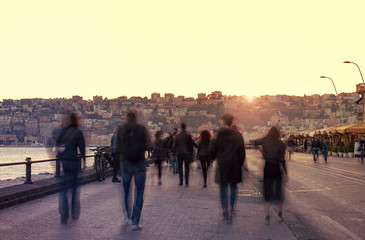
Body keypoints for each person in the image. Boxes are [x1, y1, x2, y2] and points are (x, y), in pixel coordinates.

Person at [114, 110, 152, 231]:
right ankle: (135, 222)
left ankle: (127, 217)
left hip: (126, 163)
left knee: (126, 191)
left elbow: (116, 148)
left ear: (126, 117)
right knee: (139, 192)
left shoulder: (120, 130)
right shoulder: (142, 129)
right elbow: (150, 146)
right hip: (140, 162)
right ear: (136, 117)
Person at [210, 114, 246, 220]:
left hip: (222, 164)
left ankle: (225, 208)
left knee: (223, 187)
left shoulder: (219, 134)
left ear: (223, 121)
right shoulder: (238, 135)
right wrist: (240, 163)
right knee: (234, 186)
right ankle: (232, 207)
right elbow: (242, 152)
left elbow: (213, 149)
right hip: (235, 164)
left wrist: (214, 158)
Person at [56, 112, 86, 224]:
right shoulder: (78, 132)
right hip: (74, 162)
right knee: (74, 188)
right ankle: (74, 211)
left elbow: (57, 143)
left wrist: (59, 155)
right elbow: (82, 149)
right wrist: (84, 163)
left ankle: (64, 212)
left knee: (63, 189)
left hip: (65, 162)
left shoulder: (63, 131)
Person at [254, 126, 287, 225]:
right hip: (277, 168)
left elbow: (255, 142)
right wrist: (285, 171)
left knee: (267, 192)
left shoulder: (265, 140)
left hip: (267, 168)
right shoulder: (280, 143)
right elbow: (282, 159)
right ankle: (280, 215)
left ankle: (267, 217)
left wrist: (261, 151)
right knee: (278, 192)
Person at [174, 122, 194, 187]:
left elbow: (175, 145)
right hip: (187, 153)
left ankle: (181, 181)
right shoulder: (188, 135)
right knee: (187, 167)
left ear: (180, 128)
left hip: (179, 153)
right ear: (185, 127)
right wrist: (191, 153)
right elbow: (191, 145)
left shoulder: (177, 135)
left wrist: (174, 153)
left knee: (180, 167)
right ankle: (187, 181)